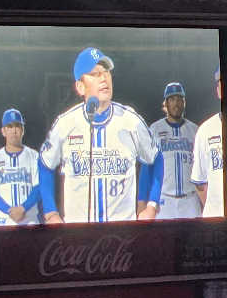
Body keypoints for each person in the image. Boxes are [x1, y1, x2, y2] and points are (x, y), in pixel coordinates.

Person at [39, 47, 161, 223]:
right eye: (95, 74)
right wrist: (51, 213)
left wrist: (151, 206)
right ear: (80, 87)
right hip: (78, 236)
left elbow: (156, 157)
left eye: (106, 72)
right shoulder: (65, 123)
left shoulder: (130, 120)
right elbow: (44, 163)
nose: (104, 78)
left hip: (122, 235)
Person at [138, 82, 201, 219]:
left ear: (184, 102)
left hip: (190, 199)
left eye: (179, 99)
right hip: (164, 200)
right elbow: (146, 168)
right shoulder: (154, 129)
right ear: (165, 103)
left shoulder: (195, 130)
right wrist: (142, 203)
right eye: (172, 99)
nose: (176, 103)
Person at [0, 108, 40, 226]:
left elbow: (39, 188)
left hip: (29, 219)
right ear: (3, 131)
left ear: (22, 130)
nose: (14, 130)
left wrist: (23, 208)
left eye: (17, 126)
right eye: (10, 126)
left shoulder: (34, 156)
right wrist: (8, 210)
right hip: (3, 219)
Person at [191, 67, 224, 217]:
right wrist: (214, 208)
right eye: (221, 83)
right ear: (218, 90)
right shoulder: (206, 130)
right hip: (215, 218)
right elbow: (199, 182)